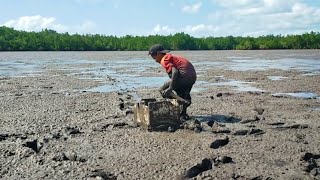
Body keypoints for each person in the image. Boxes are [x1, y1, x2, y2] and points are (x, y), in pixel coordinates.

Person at [148, 44, 197, 121]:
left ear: (158, 53)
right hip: (191, 78)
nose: (155, 60)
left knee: (162, 90)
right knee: (183, 94)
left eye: (154, 57)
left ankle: (183, 101)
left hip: (184, 76)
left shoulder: (164, 59)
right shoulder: (170, 57)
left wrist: (170, 88)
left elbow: (175, 72)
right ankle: (183, 114)